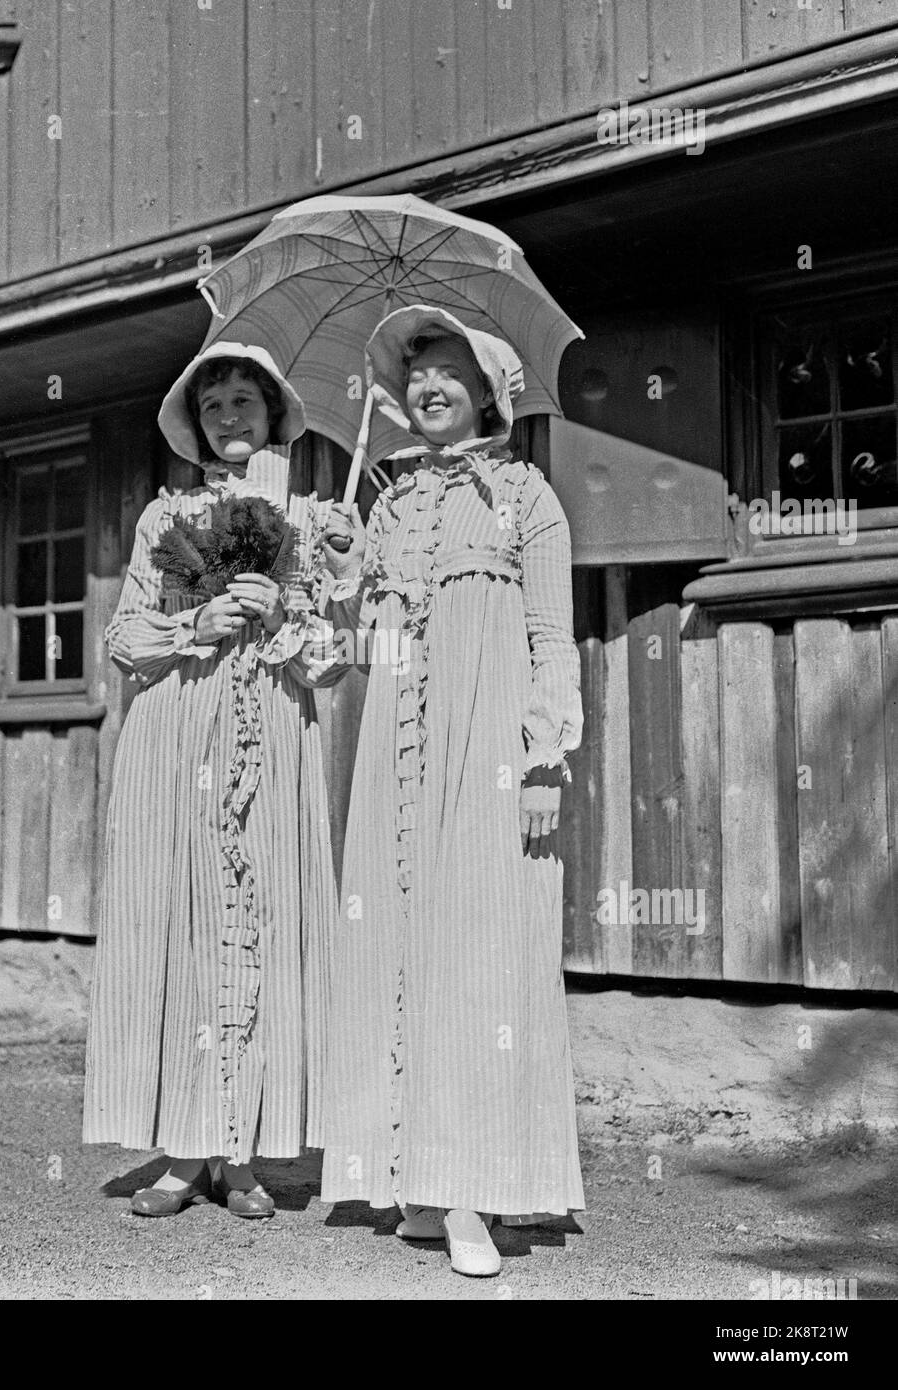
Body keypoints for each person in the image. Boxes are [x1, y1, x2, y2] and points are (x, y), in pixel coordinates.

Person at [318, 306, 585, 1276]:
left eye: (449, 369)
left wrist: (545, 754)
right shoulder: (386, 506)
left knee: (479, 956)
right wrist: (350, 582)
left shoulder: (525, 495)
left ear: (487, 390)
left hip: (491, 756)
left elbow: (551, 635)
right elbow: (367, 655)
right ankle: (420, 1181)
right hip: (397, 759)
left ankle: (475, 1192)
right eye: (416, 371)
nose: (429, 384)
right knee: (401, 946)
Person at [83, 342, 346, 1219]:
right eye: (215, 407)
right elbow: (125, 642)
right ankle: (183, 1151)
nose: (231, 419)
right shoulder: (168, 519)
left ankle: (242, 1155)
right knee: (184, 926)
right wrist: (198, 617)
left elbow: (331, 665)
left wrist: (286, 616)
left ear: (275, 415)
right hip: (179, 734)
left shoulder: (310, 522)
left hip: (270, 736)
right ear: (196, 427)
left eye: (246, 402)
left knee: (260, 923)